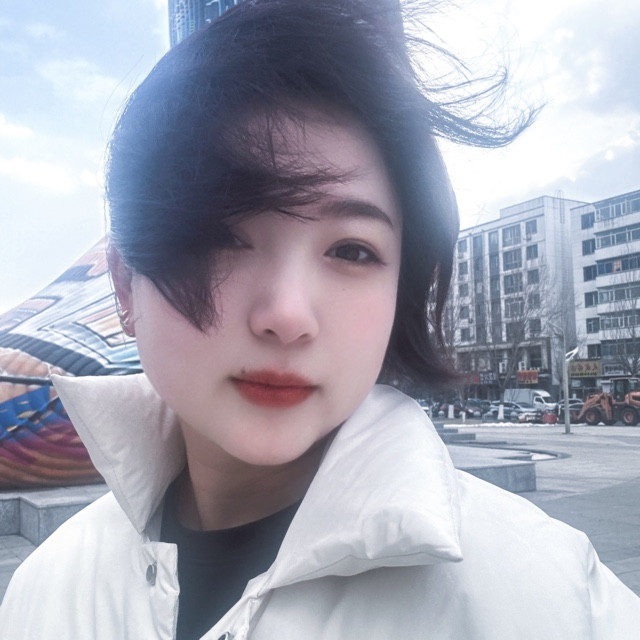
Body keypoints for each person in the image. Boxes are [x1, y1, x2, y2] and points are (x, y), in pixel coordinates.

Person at [1, 1, 639, 638]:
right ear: (123, 283)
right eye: (220, 238)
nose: (287, 315)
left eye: (352, 251)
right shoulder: (50, 592)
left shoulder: (552, 599)